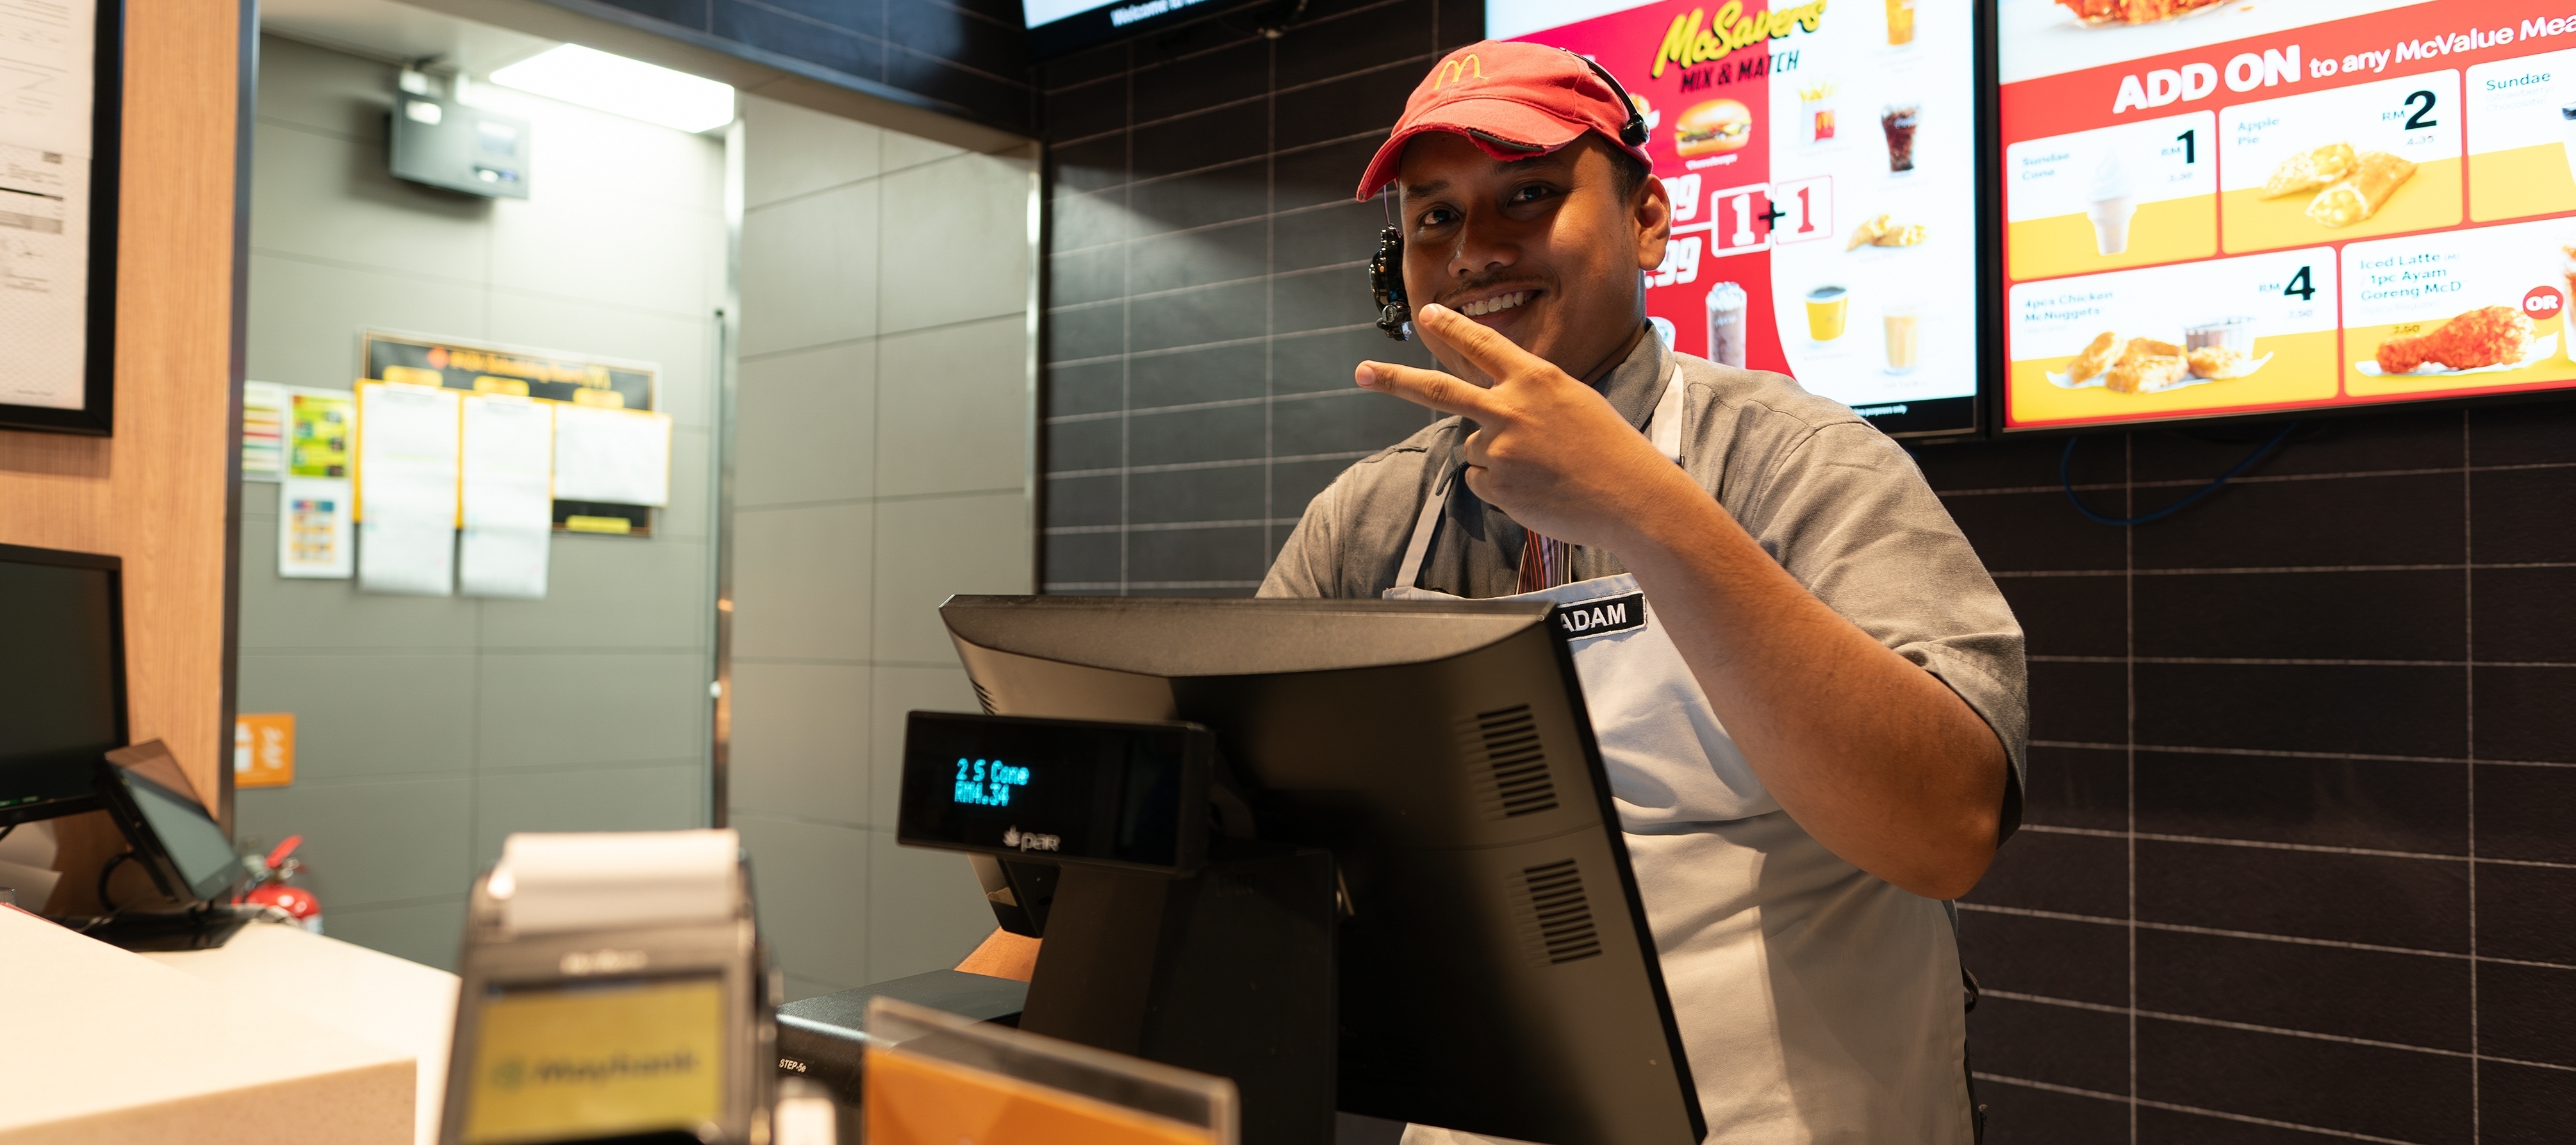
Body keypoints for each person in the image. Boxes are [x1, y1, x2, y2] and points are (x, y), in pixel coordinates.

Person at [959, 39, 2026, 1143]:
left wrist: (1649, 512)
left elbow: (1945, 832)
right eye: (1435, 217)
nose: (1474, 250)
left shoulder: (1801, 462)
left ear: (1649, 220)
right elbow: (1201, 812)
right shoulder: (1368, 519)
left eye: (1529, 195)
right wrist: (941, 1041)